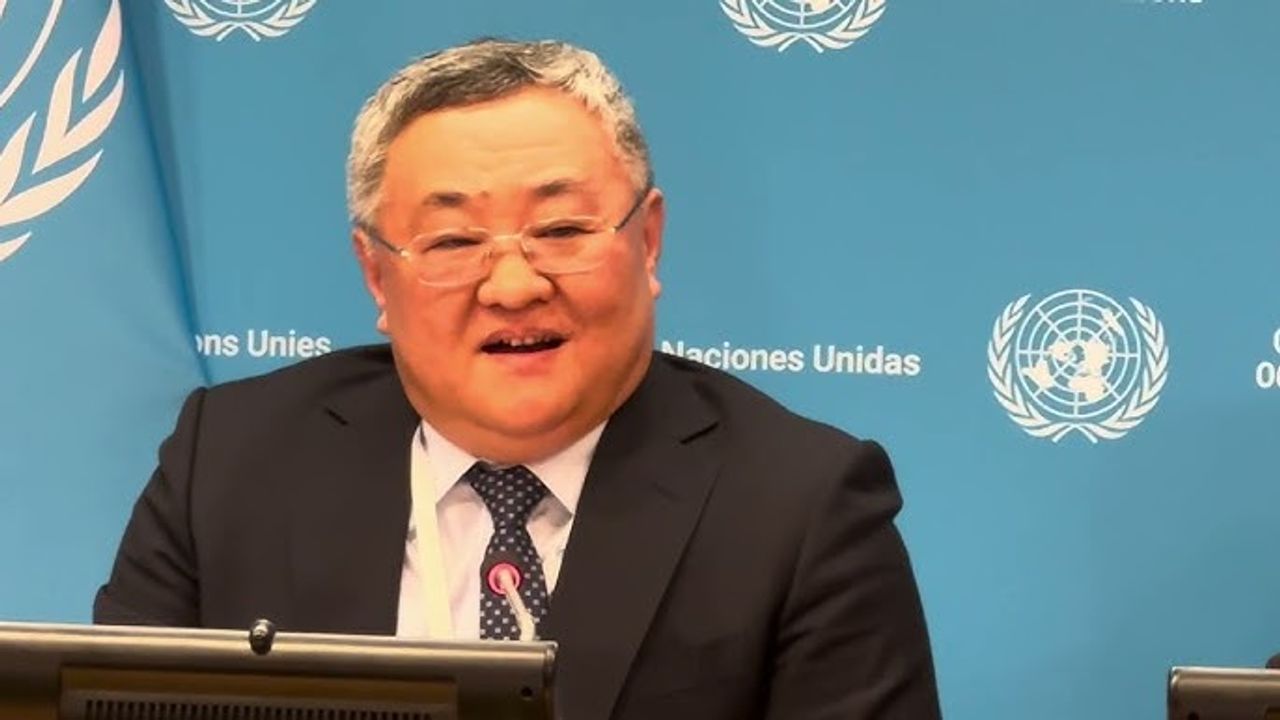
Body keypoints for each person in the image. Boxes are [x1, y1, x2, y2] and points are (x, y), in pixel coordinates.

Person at [94, 38, 941, 719]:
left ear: (647, 242)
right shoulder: (230, 461)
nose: (512, 286)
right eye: (454, 243)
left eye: (561, 230)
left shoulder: (800, 507)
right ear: (376, 276)